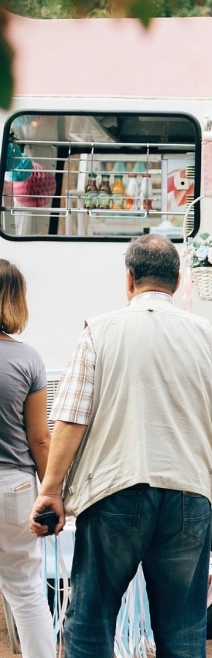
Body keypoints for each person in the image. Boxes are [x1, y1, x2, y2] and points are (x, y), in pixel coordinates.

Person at [29, 234, 212, 658]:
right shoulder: (210, 337)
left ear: (129, 279)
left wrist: (51, 490)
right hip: (189, 500)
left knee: (91, 622)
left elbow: (70, 419)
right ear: (178, 280)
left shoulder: (98, 332)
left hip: (114, 494)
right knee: (183, 630)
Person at [0, 259, 55, 658]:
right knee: (25, 589)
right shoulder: (28, 360)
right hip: (13, 487)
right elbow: (39, 439)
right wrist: (53, 493)